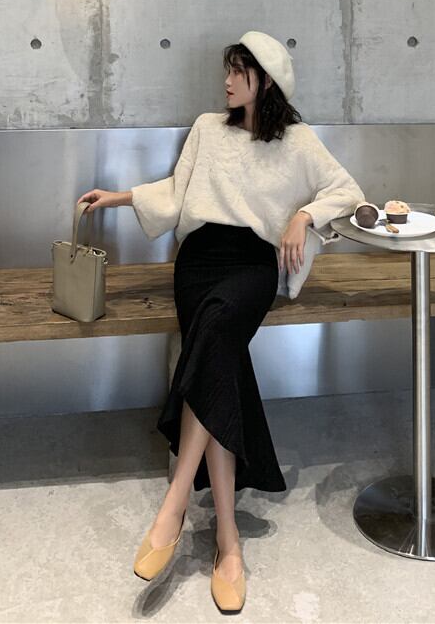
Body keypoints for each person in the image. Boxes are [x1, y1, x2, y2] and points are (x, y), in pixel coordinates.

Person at [76, 31, 366, 614]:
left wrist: (304, 217)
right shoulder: (208, 129)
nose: (227, 82)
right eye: (227, 71)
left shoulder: (298, 141)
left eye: (238, 72)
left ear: (266, 79)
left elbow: (349, 191)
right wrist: (120, 198)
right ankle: (227, 542)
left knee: (214, 338)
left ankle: (176, 503)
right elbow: (177, 191)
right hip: (199, 262)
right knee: (220, 359)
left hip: (252, 267)